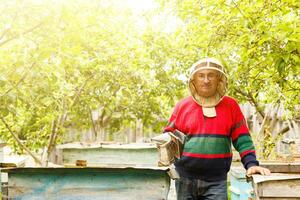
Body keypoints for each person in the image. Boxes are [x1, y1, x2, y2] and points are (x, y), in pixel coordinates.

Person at [163, 58, 270, 200]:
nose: (206, 80)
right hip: (185, 179)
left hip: (216, 181)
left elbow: (242, 139)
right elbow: (169, 138)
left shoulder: (231, 106)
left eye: (211, 75)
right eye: (201, 75)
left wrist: (251, 164)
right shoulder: (183, 106)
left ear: (219, 79)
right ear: (193, 80)